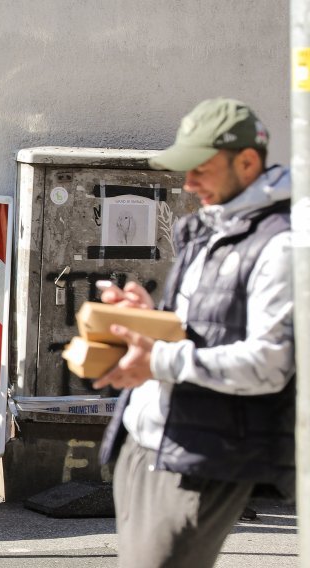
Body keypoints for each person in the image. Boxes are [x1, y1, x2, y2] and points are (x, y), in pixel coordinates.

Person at [95, 98, 294, 567]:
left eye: (200, 168)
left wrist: (158, 360)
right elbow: (204, 328)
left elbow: (269, 364)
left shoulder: (281, 243)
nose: (188, 183)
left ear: (247, 162)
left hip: (200, 460)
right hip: (145, 442)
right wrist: (150, 317)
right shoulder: (210, 226)